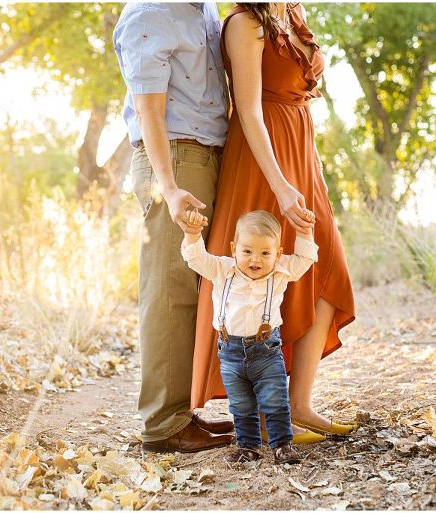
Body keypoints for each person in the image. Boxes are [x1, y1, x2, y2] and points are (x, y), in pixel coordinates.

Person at [190, 2, 358, 441]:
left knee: (325, 271)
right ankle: (267, 416)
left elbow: (302, 101)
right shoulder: (245, 24)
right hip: (262, 157)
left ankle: (300, 404)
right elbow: (248, 111)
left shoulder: (293, 18)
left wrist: (310, 176)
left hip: (302, 150)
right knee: (257, 275)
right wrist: (281, 186)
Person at [113, 2, 234, 453]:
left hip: (206, 157)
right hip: (175, 161)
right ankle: (163, 425)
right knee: (169, 289)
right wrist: (169, 187)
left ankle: (181, 412)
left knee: (195, 285)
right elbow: (149, 110)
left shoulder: (203, 10)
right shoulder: (150, 13)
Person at [182, 209, 316, 464]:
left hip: (266, 351)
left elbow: (304, 258)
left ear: (277, 254)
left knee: (275, 400)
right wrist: (192, 235)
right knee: (241, 405)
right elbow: (196, 258)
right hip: (230, 353)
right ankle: (248, 447)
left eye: (265, 253)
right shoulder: (222, 270)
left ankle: (282, 446)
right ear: (234, 249)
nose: (255, 260)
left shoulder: (280, 272)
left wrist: (304, 231)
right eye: (247, 252)